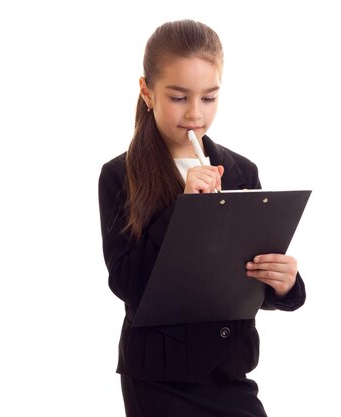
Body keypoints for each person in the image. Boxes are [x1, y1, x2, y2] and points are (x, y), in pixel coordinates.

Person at [98, 19, 306, 417]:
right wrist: (182, 208)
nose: (195, 114)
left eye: (209, 98)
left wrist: (285, 284)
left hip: (230, 371)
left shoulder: (240, 170)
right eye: (178, 97)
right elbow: (126, 283)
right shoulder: (119, 176)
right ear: (147, 92)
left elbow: (242, 282)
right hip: (159, 379)